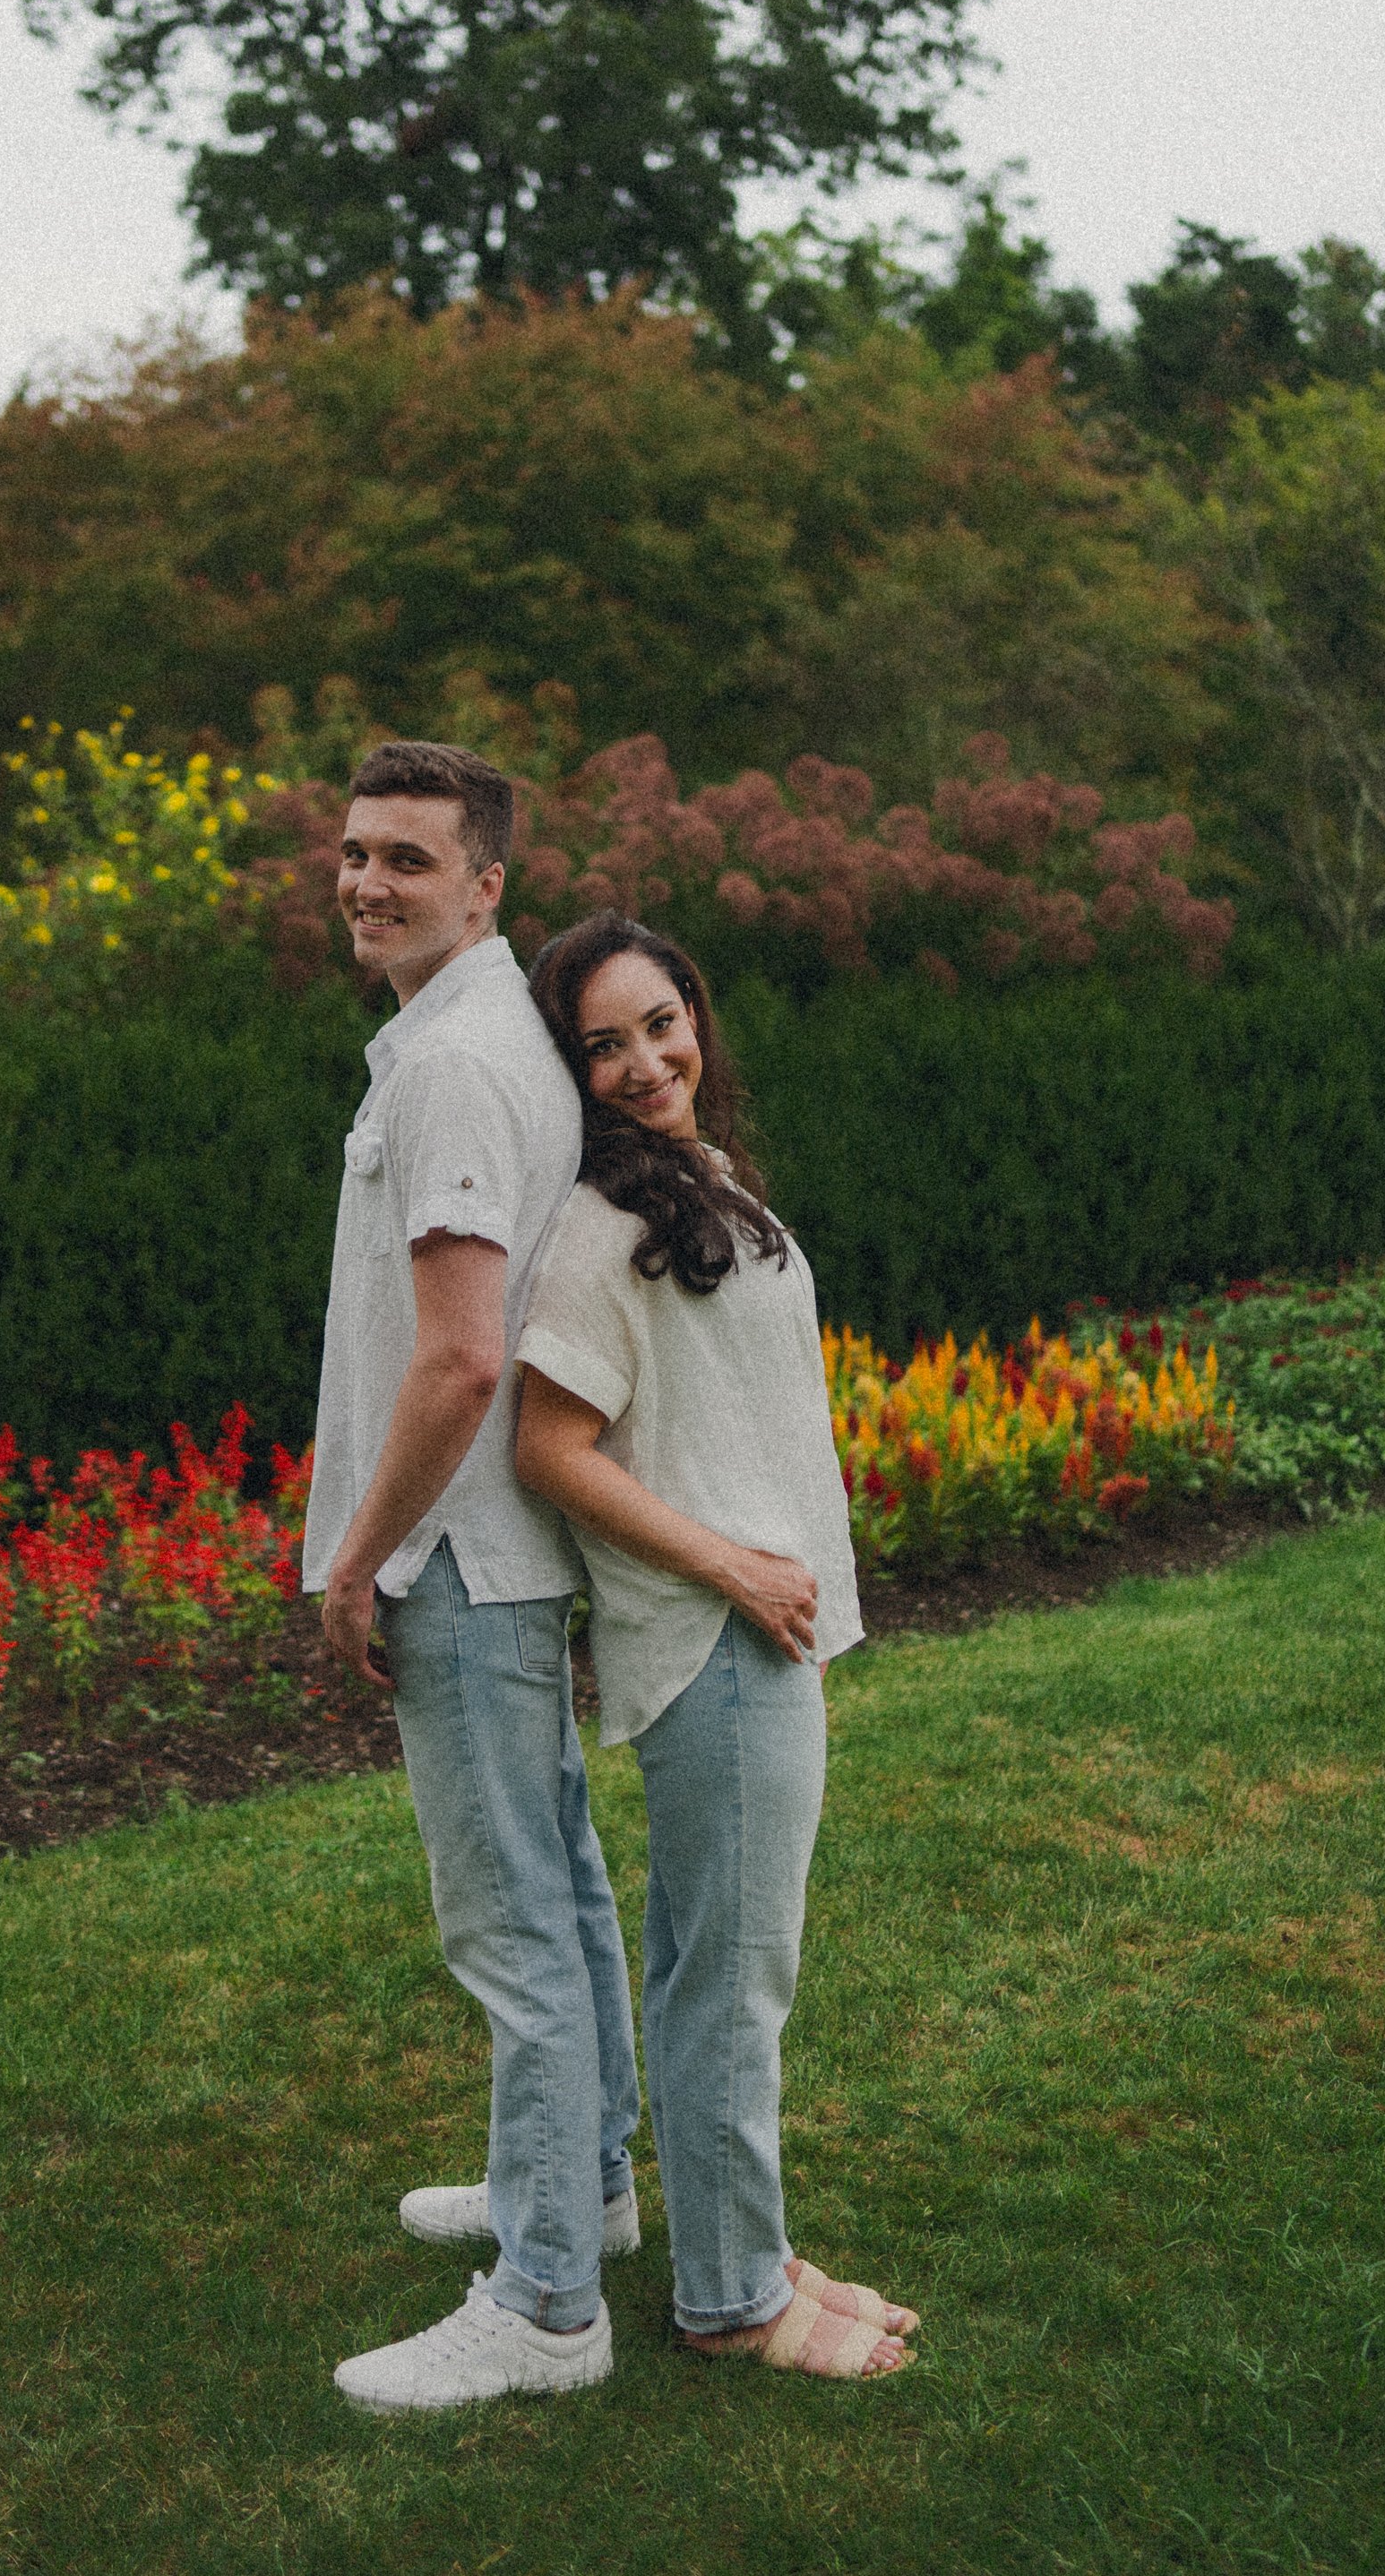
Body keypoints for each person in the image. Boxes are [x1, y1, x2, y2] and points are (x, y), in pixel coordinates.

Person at [513, 910, 918, 2380]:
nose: (643, 1062)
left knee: (715, 1966)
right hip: (712, 1643)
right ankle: (733, 2300)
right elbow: (548, 1447)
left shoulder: (705, 1181)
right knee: (734, 1978)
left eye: (660, 1023)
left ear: (696, 1015)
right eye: (601, 1046)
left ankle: (744, 2247)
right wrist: (733, 1567)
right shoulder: (596, 1229)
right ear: (566, 1071)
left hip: (758, 1633)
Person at [306, 745, 641, 2416]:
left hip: (460, 1560)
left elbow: (456, 1361)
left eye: (408, 860)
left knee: (512, 1929)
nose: (366, 882)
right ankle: (580, 2192)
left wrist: (357, 1557)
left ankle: (547, 2309)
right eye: (355, 852)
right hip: (501, 1556)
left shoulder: (451, 1064)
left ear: (487, 885)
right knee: (557, 1894)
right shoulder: (481, 1032)